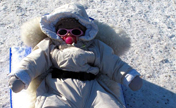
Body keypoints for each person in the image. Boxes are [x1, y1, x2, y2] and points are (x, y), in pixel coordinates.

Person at [9, 3, 142, 108]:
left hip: (93, 90)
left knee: (108, 104)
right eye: (63, 31)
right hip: (58, 88)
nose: (68, 35)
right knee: (52, 104)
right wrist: (22, 75)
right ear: (56, 32)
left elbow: (112, 63)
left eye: (75, 31)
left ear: (84, 32)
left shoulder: (95, 46)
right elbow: (35, 60)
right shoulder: (50, 45)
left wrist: (128, 75)